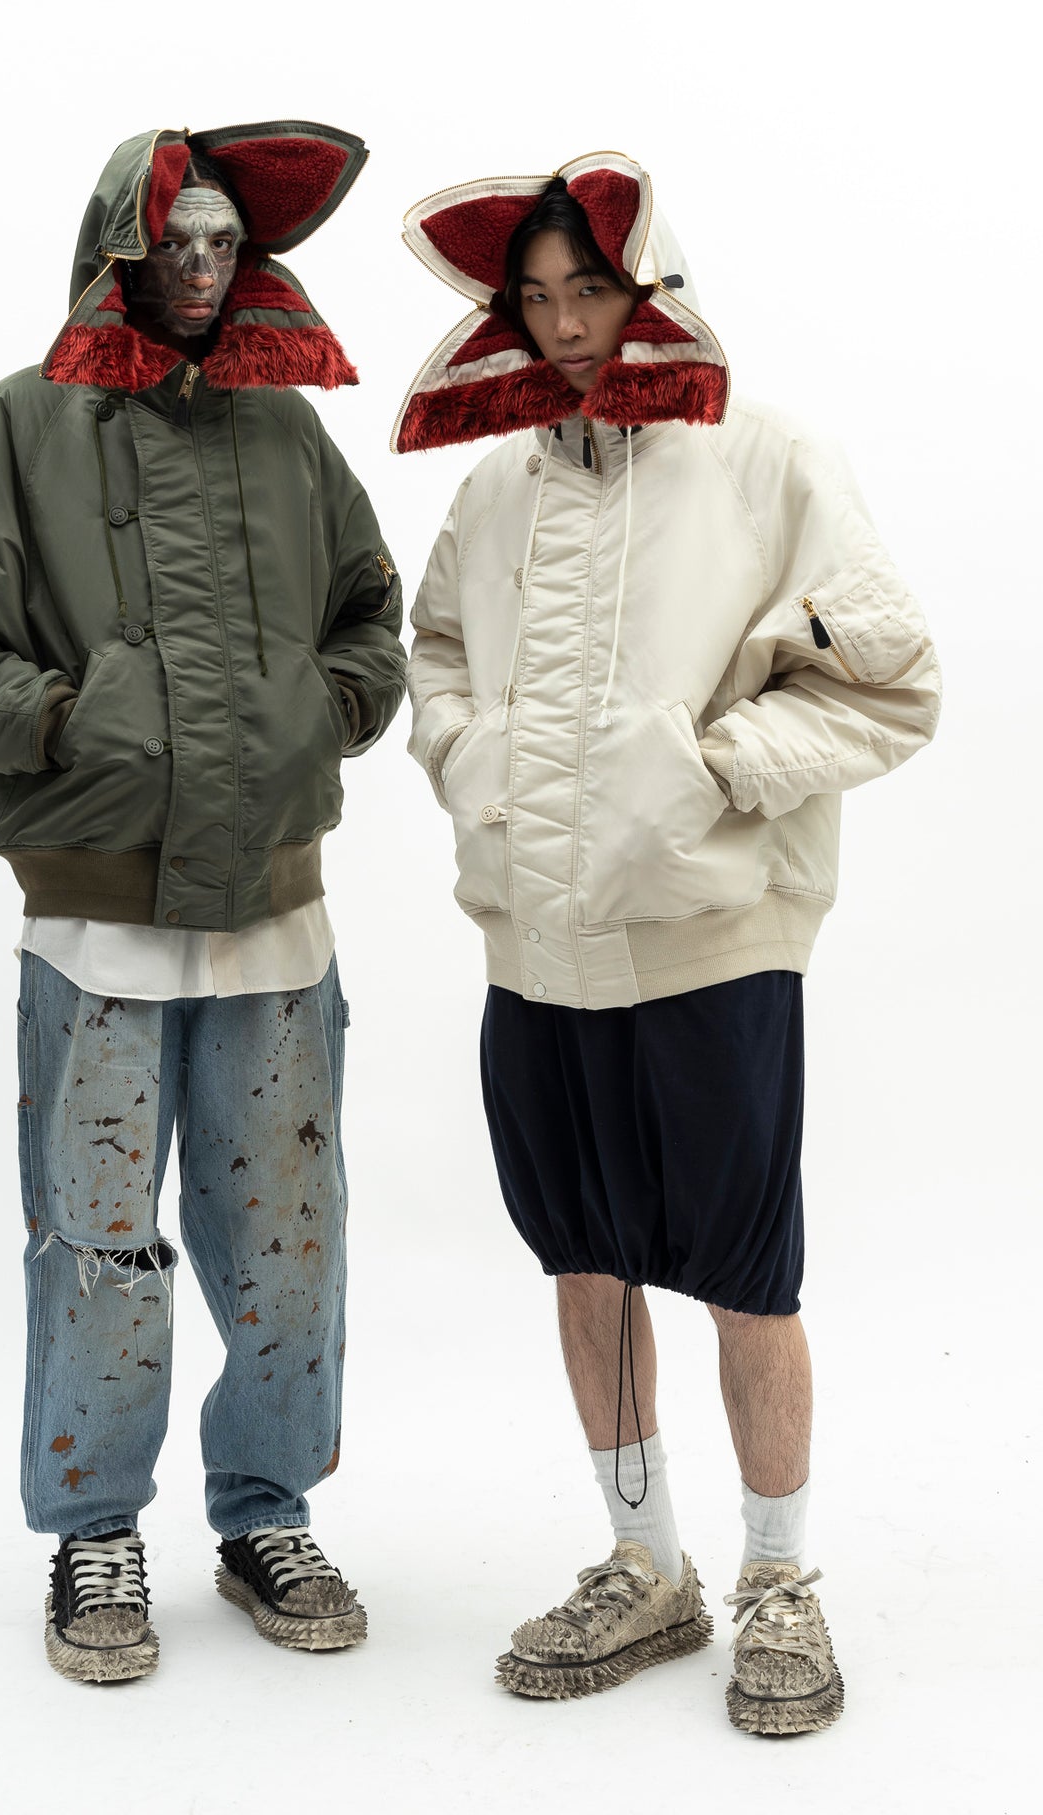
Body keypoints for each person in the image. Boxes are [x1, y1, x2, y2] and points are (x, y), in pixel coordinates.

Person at [0, 123, 405, 1683]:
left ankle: (268, 1512)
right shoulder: (19, 426)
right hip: (96, 933)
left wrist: (320, 711)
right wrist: (62, 720)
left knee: (290, 1246)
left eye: (230, 244)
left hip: (277, 925)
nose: (206, 269)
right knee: (98, 1244)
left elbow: (372, 616)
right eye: (180, 243)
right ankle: (94, 1530)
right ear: (120, 254)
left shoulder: (288, 434)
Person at [397, 151, 939, 1735]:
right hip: (535, 945)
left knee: (742, 1271)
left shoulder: (768, 460)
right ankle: (647, 1566)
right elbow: (436, 655)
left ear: (652, 288)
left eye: (591, 288)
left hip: (712, 937)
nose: (566, 322)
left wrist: (710, 774)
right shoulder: (496, 491)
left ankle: (779, 1578)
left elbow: (891, 682)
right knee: (584, 1255)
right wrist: (473, 763)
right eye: (538, 296)